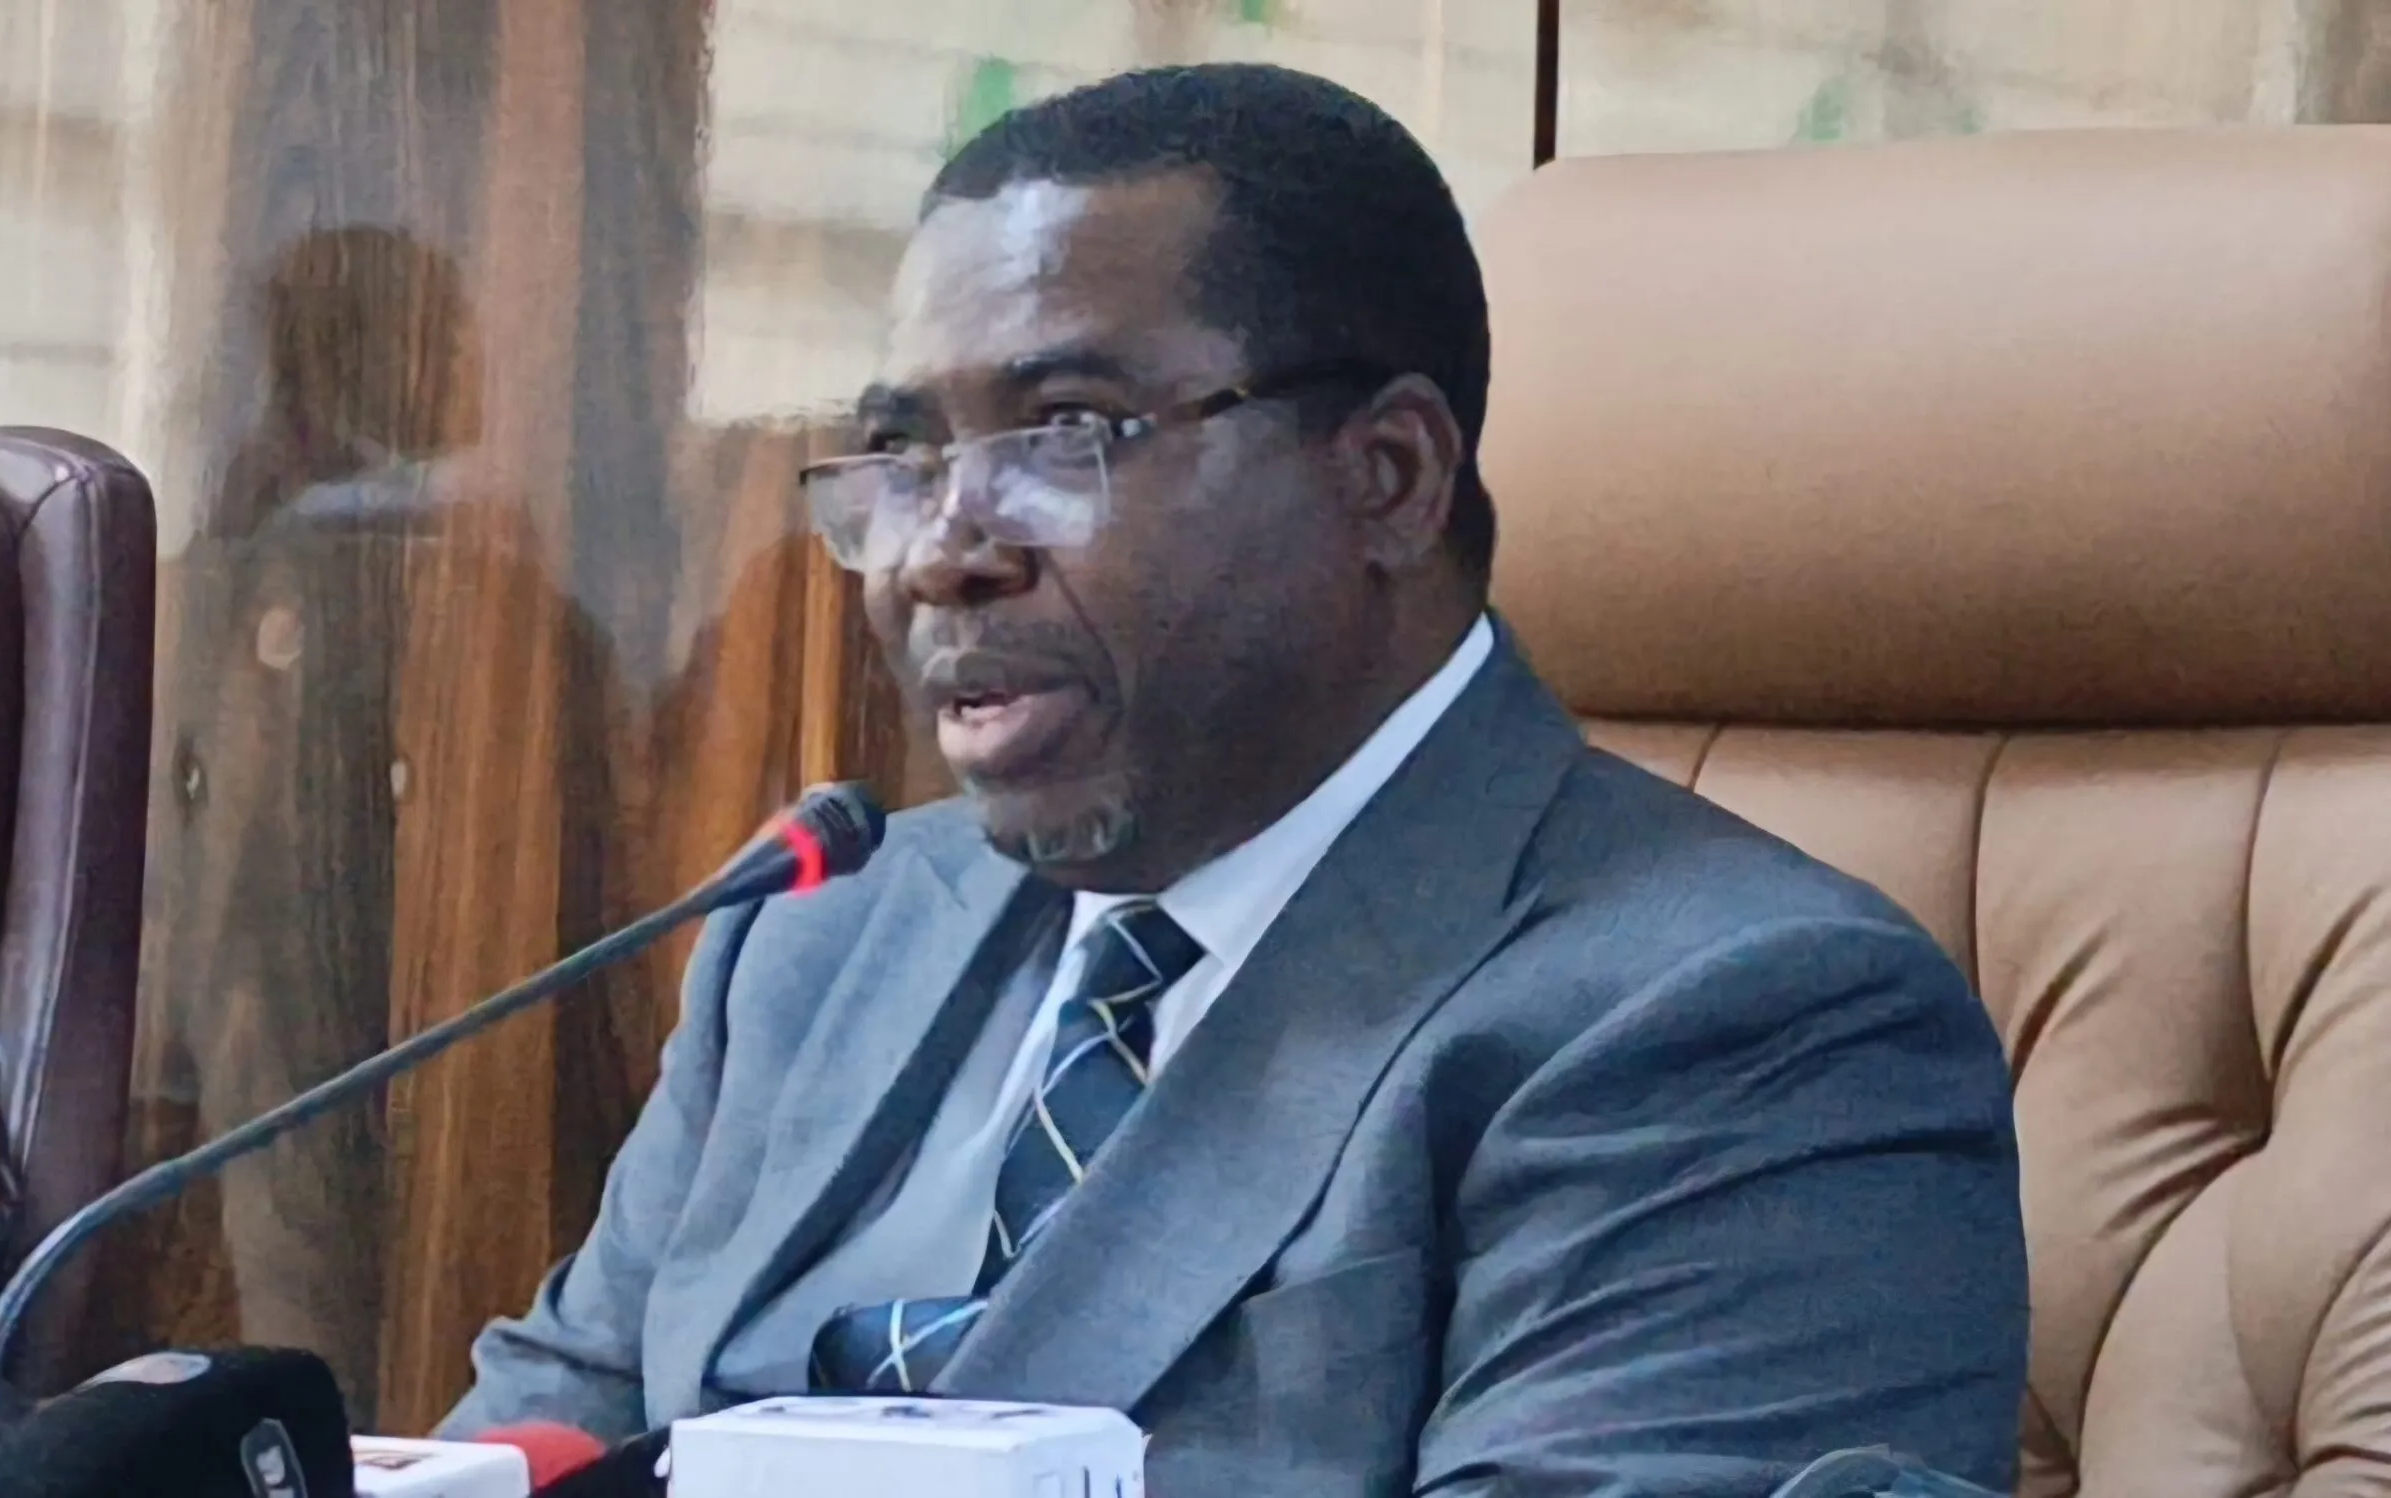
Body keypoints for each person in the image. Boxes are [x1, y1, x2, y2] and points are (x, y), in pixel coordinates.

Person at [440, 64, 2028, 1496]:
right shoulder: (821, 935)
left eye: (1067, 432)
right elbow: (531, 1441)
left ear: (1387, 479)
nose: (940, 552)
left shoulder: (1740, 1022)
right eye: (906, 458)